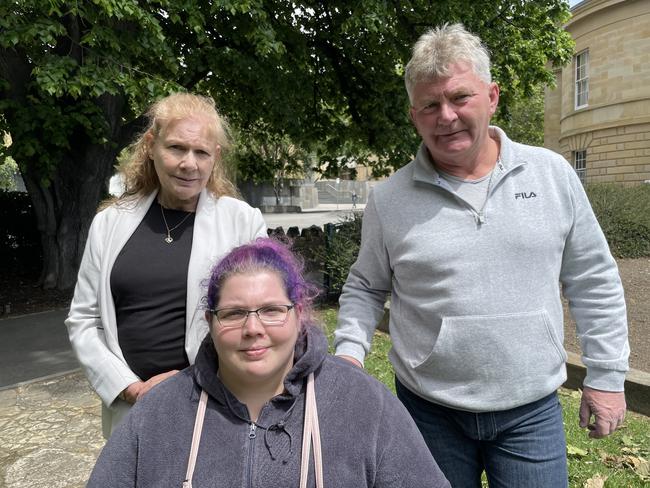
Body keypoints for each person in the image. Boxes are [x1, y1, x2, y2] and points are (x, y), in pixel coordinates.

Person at [334, 23, 629, 487]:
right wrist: (349, 356)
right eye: (430, 105)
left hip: (530, 411)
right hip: (428, 412)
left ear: (491, 96)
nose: (446, 116)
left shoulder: (552, 175)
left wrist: (608, 375)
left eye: (459, 98)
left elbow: (594, 279)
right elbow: (366, 285)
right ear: (414, 115)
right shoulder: (389, 199)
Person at [86, 238, 450, 487]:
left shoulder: (365, 405)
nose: (253, 328)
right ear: (210, 322)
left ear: (299, 313)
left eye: (272, 310)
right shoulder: (159, 413)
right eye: (233, 313)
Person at [65, 92, 267, 438]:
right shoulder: (110, 223)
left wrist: (189, 380)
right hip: (132, 409)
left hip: (216, 401)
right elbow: (85, 319)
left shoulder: (242, 223)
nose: (189, 164)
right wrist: (128, 387)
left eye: (201, 152)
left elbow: (258, 317)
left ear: (214, 157)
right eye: (176, 148)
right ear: (151, 145)